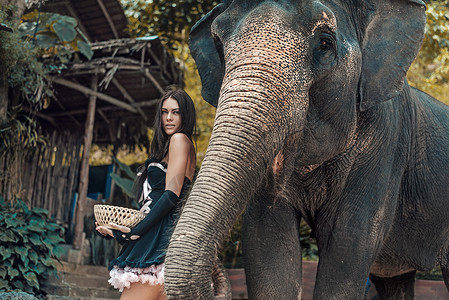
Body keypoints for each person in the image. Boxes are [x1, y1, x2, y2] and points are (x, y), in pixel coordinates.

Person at [96, 87, 197, 300]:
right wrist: (119, 230)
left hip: (161, 240)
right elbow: (156, 201)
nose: (168, 118)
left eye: (176, 112)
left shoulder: (179, 140)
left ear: (185, 115)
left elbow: (170, 196)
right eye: (164, 111)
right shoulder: (174, 145)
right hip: (163, 235)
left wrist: (132, 233)